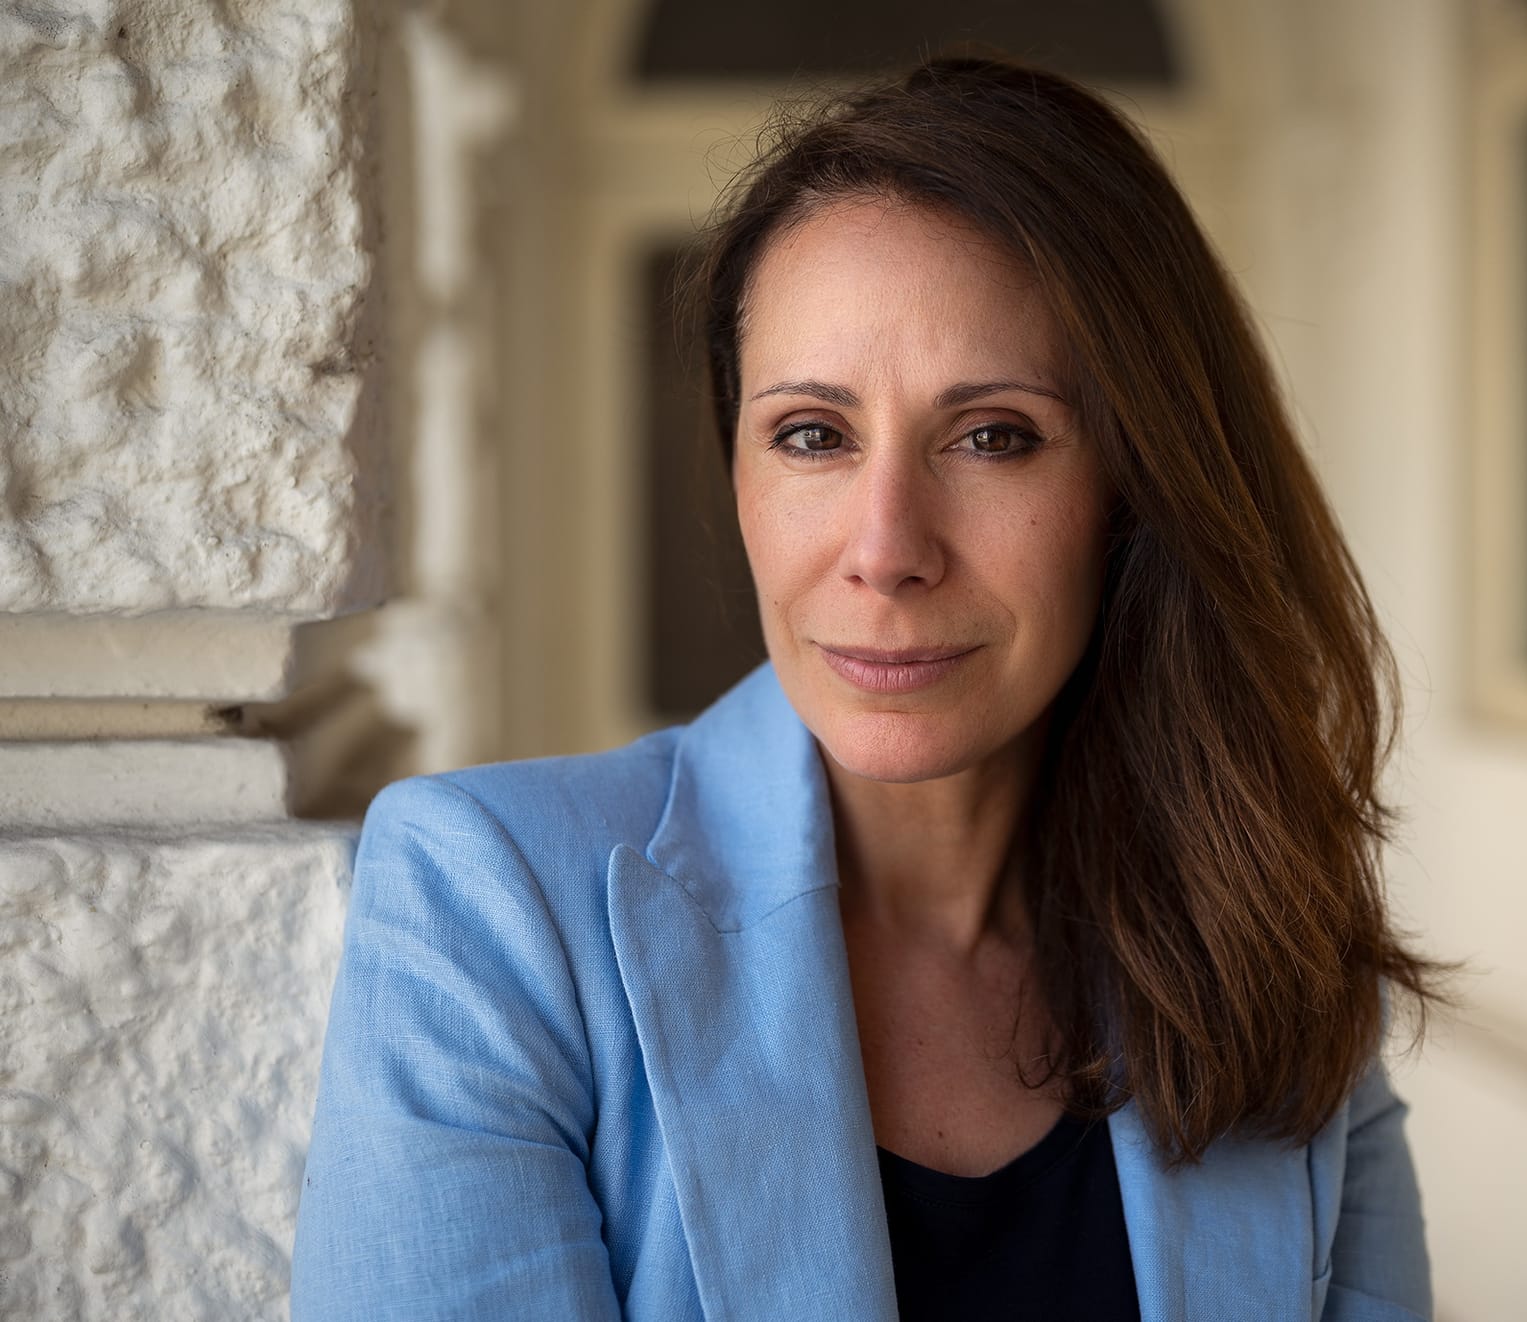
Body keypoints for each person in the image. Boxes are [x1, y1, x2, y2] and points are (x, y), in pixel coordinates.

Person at [291, 55, 1451, 1322]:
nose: (886, 546)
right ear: (740, 472)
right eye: (813, 434)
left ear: (1136, 488)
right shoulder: (492, 908)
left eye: (994, 435)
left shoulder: (1269, 943)